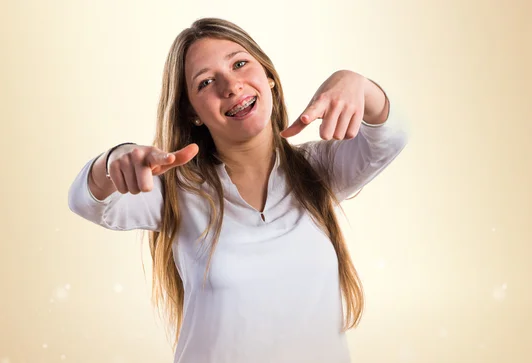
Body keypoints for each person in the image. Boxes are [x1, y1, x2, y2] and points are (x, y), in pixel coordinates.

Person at [68, 17, 408, 363]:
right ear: (192, 112)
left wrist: (357, 84)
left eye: (240, 63)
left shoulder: (317, 170)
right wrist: (116, 158)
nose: (230, 86)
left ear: (270, 77)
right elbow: (87, 201)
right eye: (205, 82)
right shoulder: (178, 190)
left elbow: (392, 136)